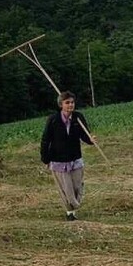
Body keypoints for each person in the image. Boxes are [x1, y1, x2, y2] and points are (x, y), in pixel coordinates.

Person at [40, 91, 95, 221]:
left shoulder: (78, 118)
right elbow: (45, 140)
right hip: (58, 160)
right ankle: (70, 212)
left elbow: (84, 135)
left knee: (77, 186)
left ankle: (74, 206)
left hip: (75, 158)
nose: (71, 105)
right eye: (67, 102)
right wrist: (45, 159)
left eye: (72, 102)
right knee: (66, 188)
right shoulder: (53, 120)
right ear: (61, 104)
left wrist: (91, 140)